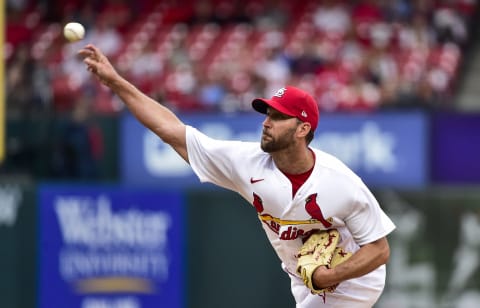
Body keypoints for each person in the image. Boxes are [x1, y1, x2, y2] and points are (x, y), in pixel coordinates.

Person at [79, 44, 396, 308]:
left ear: (303, 129)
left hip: (354, 281)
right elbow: (171, 131)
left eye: (277, 116)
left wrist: (329, 277)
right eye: (267, 114)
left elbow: (380, 250)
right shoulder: (247, 163)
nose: (266, 122)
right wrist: (115, 82)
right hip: (304, 282)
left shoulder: (339, 182)